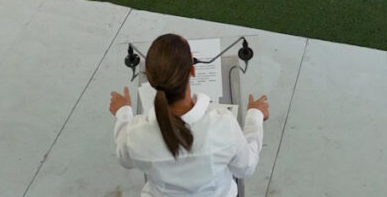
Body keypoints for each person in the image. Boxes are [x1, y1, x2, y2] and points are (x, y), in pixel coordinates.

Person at [109, 34, 268, 196]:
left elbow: (124, 157)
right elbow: (246, 168)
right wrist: (255, 116)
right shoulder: (223, 124)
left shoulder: (137, 135)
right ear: (192, 69)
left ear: (149, 78)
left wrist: (123, 112)